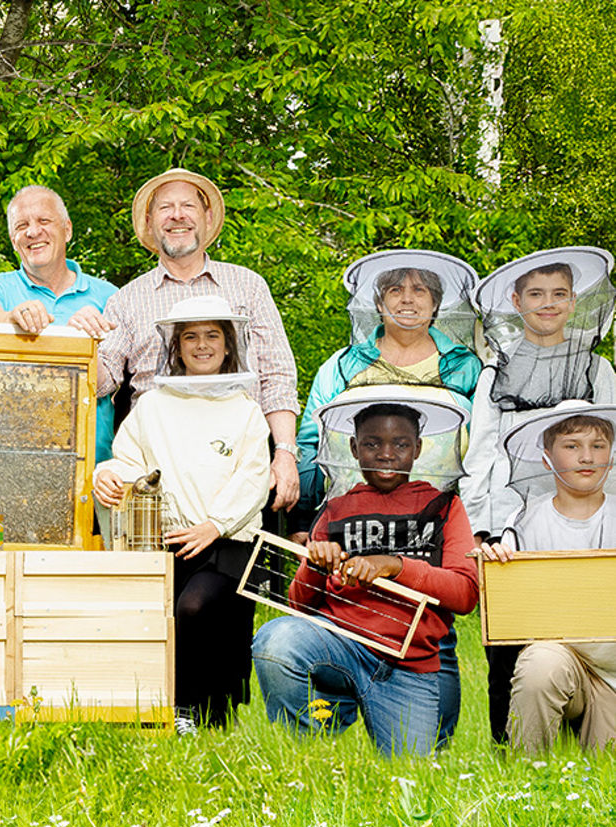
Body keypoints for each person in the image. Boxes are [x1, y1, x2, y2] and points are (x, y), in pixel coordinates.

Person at [252, 397, 480, 756]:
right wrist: (315, 565)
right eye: (372, 444)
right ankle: (311, 751)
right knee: (275, 641)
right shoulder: (336, 509)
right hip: (341, 646)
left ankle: (363, 707)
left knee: (412, 781)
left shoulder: (444, 507)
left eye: (400, 444)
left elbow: (466, 594)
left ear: (418, 448)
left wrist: (396, 565)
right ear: (355, 448)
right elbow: (297, 605)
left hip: (408, 664)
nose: (386, 453)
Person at [93, 296, 269, 733]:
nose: (202, 345)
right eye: (191, 336)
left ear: (229, 345)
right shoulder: (153, 405)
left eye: (212, 336)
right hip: (168, 541)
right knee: (153, 612)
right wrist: (108, 474)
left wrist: (214, 525)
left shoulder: (246, 410)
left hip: (229, 543)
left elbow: (253, 477)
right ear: (176, 346)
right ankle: (154, 709)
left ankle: (194, 711)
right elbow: (130, 460)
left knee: (194, 607)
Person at [96, 168, 300, 512]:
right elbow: (102, 381)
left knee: (237, 564)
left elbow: (278, 376)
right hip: (156, 473)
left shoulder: (248, 286)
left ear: (206, 218)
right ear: (149, 221)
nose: (177, 216)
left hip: (240, 468)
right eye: (165, 208)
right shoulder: (127, 300)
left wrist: (284, 454)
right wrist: (82, 342)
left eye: (187, 206)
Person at [295, 251, 482, 526]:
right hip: (349, 525)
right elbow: (311, 444)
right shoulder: (342, 366)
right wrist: (302, 518)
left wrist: (478, 527)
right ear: (379, 303)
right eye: (395, 290)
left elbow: (483, 448)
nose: (407, 299)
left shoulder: (464, 367)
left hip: (439, 525)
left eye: (420, 290)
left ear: (435, 304)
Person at [479, 402, 616, 751]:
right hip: (562, 661)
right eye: (572, 446)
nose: (587, 457)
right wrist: (496, 561)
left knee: (603, 775)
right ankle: (527, 777)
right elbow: (505, 604)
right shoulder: (524, 523)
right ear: (547, 458)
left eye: (598, 445)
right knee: (540, 663)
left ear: (611, 456)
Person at [463, 248, 616, 544]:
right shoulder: (495, 373)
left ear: (573, 301)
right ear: (517, 302)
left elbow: (612, 446)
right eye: (536, 294)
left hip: (591, 524)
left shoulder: (597, 369)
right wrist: (476, 529)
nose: (548, 303)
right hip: (509, 520)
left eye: (559, 294)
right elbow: (480, 455)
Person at [0, 185, 119, 462]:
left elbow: (121, 380)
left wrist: (83, 340)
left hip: (94, 470)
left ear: (68, 230)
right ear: (14, 240)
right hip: (12, 464)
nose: (33, 232)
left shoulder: (109, 295)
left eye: (44, 221)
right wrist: (11, 317)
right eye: (21, 225)